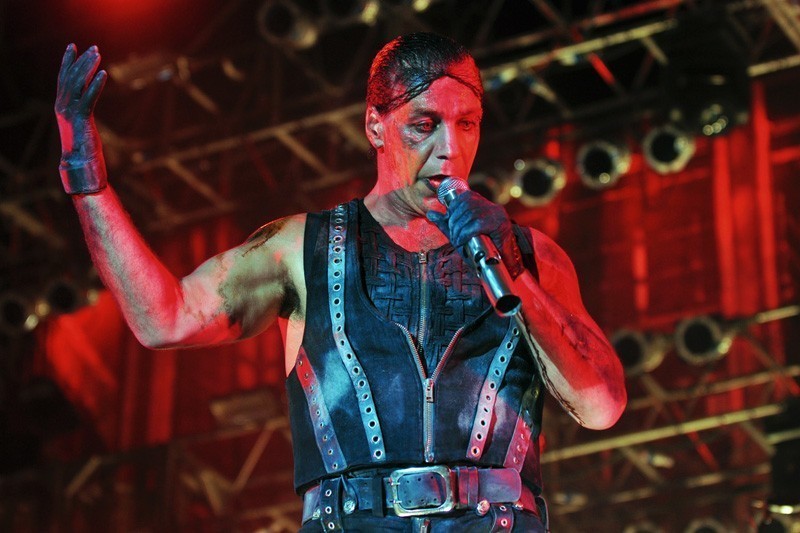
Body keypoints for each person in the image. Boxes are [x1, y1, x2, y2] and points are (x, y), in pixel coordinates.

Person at [55, 32, 626, 532]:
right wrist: (88, 182)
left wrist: (514, 272)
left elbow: (602, 406)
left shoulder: (530, 256)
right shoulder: (298, 248)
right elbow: (165, 319)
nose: (449, 150)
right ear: (376, 126)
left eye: (467, 124)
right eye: (424, 125)